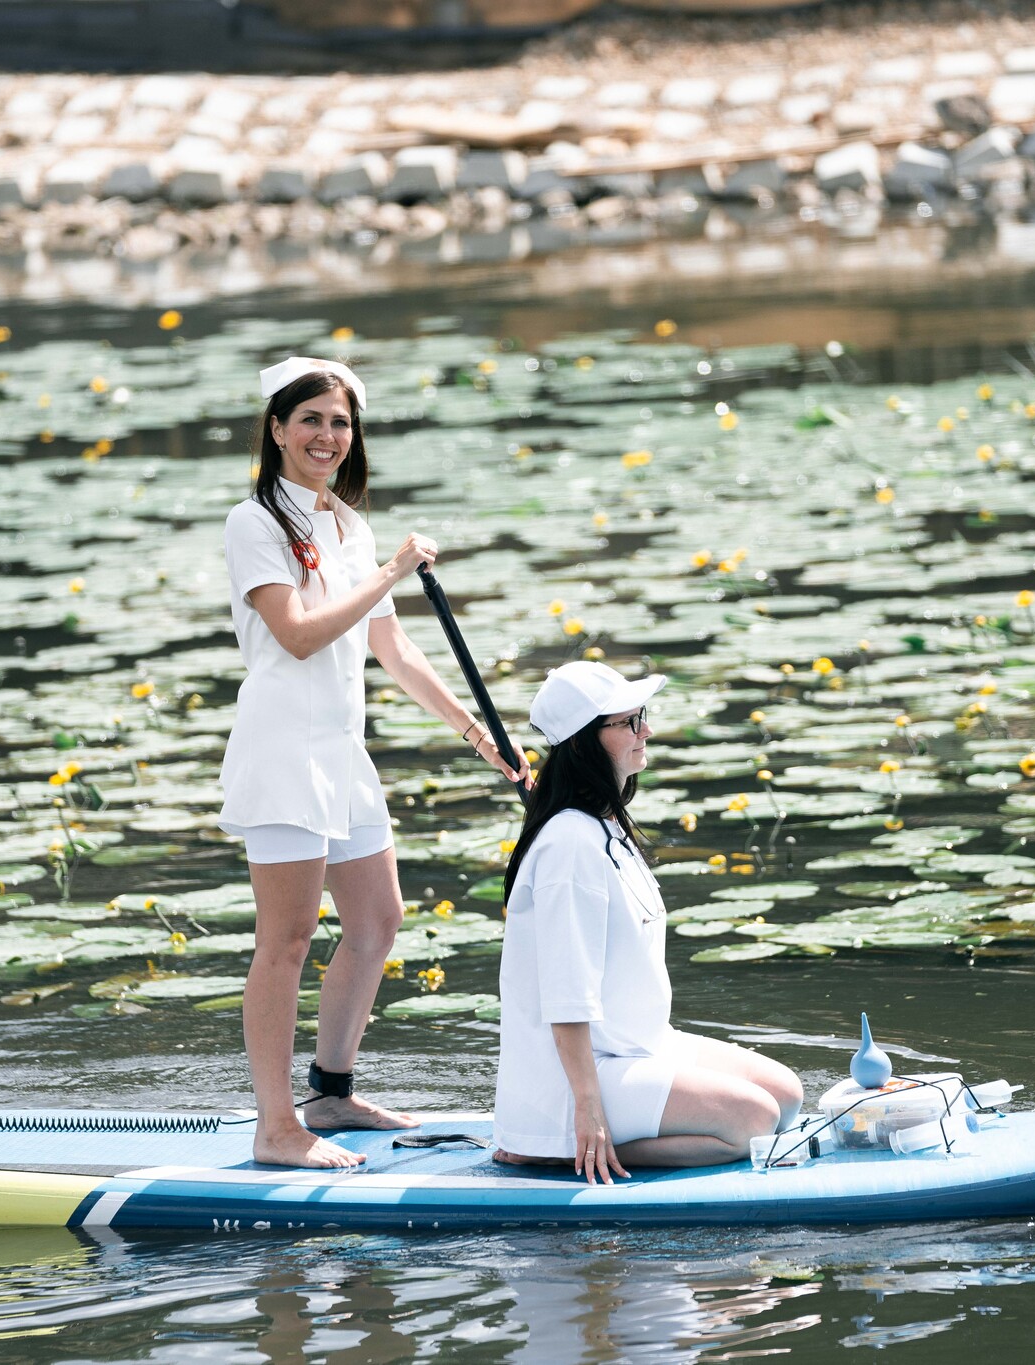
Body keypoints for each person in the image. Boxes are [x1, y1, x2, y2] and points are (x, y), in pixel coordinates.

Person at [221, 356, 527, 1170]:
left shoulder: (349, 526)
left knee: (377, 919)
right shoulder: (254, 523)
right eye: (311, 419)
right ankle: (276, 1126)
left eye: (340, 421)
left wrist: (474, 729)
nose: (328, 435)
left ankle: (330, 1087)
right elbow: (300, 632)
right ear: (278, 430)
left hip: (342, 755)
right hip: (283, 750)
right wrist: (391, 570)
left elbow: (387, 643)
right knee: (285, 938)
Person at [493, 662, 803, 1183]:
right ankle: (555, 1147)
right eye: (629, 722)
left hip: (638, 1045)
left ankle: (597, 1135)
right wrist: (587, 1107)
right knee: (754, 1121)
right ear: (582, 743)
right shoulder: (569, 843)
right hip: (578, 1074)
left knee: (786, 1095)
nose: (647, 732)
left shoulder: (604, 825)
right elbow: (565, 995)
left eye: (642, 716)